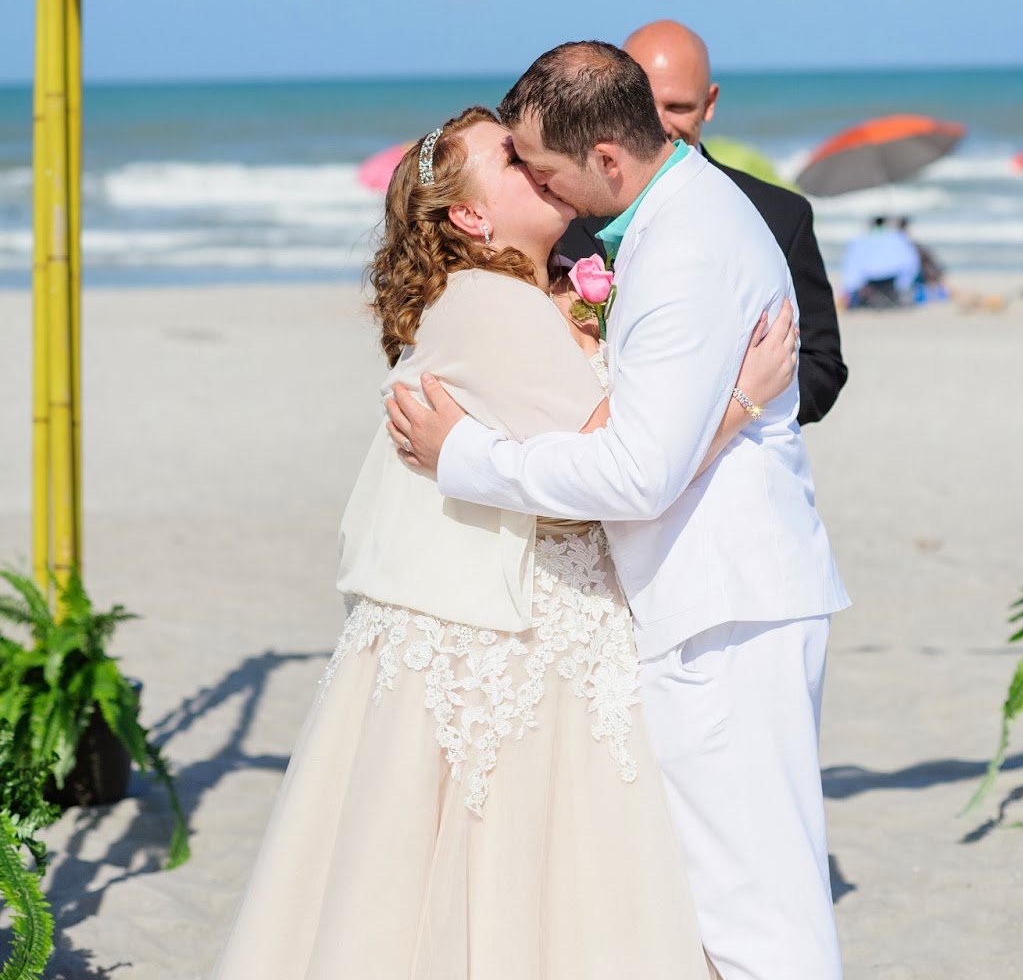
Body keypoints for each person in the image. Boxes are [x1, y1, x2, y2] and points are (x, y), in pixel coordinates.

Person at [213, 104, 797, 980]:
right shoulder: (488, 303)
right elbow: (615, 464)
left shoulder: (531, 295)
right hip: (511, 637)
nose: (533, 160)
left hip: (533, 615)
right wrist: (740, 401)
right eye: (510, 158)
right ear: (469, 215)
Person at [389, 45, 851, 980]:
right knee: (732, 905)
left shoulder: (682, 249)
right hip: (718, 597)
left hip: (721, 606)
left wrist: (463, 458)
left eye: (541, 165)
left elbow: (639, 475)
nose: (538, 183)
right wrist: (737, 403)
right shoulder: (674, 219)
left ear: (604, 157)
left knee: (756, 918)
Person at [559, 19, 847, 425]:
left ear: (709, 103)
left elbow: (822, 366)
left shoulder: (780, 214)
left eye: (678, 107)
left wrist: (740, 407)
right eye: (643, 103)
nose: (658, 123)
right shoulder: (565, 210)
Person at [840, 215, 921, 308]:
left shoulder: (859, 240)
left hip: (870, 280)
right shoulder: (897, 238)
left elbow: (851, 265)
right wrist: (904, 283)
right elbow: (910, 263)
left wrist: (851, 287)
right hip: (891, 279)